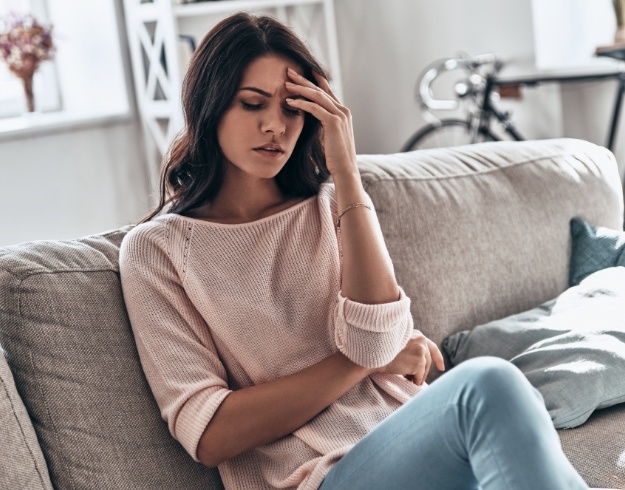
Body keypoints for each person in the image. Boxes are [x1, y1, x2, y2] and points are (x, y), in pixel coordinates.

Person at [119, 12, 588, 490]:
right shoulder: (158, 251)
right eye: (252, 104)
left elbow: (379, 338)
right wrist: (359, 364)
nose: (275, 126)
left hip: (409, 442)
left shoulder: (330, 205)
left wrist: (345, 172)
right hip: (321, 477)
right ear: (209, 106)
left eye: (293, 108)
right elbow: (211, 433)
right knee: (488, 385)